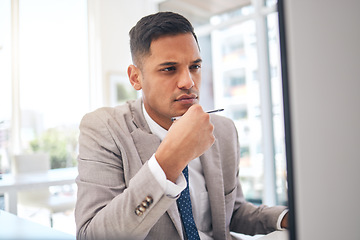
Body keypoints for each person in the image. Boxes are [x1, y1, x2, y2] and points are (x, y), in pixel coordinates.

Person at [75, 11, 288, 240]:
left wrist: (285, 218)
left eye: (195, 66)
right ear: (136, 77)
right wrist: (168, 163)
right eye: (169, 69)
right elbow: (92, 235)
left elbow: (232, 212)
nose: (188, 82)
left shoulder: (223, 130)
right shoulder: (104, 129)